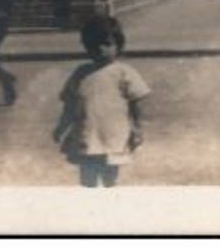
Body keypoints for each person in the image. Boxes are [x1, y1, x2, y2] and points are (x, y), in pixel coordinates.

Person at [52, 15, 150, 188]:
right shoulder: (81, 72)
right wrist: (61, 127)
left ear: (118, 45)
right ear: (86, 46)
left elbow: (136, 103)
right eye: (93, 44)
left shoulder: (124, 72)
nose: (100, 49)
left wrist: (138, 128)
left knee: (110, 179)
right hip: (86, 134)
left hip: (114, 136)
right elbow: (69, 104)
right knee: (87, 179)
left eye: (107, 43)